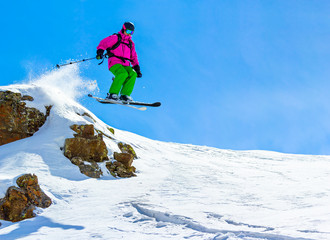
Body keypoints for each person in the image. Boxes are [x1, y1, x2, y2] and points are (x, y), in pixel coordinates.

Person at [96, 22, 142, 102]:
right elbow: (104, 43)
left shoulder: (131, 43)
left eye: (131, 32)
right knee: (122, 73)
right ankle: (112, 94)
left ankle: (125, 95)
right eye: (127, 31)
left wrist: (137, 68)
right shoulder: (116, 38)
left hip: (126, 64)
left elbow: (133, 56)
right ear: (123, 29)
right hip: (114, 62)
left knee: (133, 74)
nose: (129, 34)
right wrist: (100, 51)